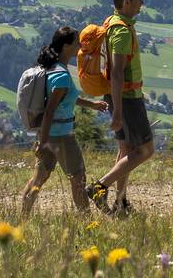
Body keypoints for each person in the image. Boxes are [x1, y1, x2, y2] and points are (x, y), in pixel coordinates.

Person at [21, 26, 107, 216]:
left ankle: (22, 217)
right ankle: (87, 223)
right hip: (61, 137)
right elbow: (51, 110)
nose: (80, 45)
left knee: (40, 177)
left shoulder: (54, 69)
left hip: (51, 135)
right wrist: (42, 143)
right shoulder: (60, 75)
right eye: (77, 42)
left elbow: (65, 98)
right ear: (67, 46)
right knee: (78, 177)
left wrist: (92, 104)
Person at [87, 0, 152, 215]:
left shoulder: (112, 23)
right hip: (127, 98)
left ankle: (121, 202)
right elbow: (116, 72)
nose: (142, 4)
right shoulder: (122, 31)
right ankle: (100, 187)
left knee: (125, 149)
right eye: (138, 0)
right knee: (145, 150)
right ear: (126, 2)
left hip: (119, 96)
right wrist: (117, 112)